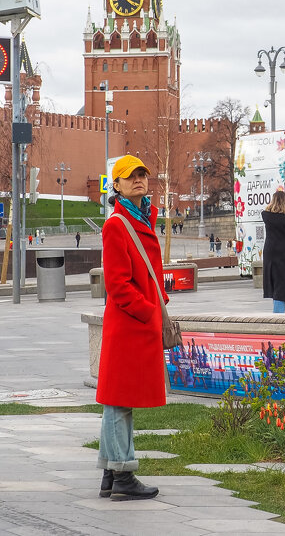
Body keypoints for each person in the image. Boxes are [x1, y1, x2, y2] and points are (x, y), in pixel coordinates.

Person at [95, 154, 167, 501]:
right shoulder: (116, 225)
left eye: (142, 174)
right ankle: (122, 474)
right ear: (117, 186)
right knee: (119, 402)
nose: (138, 179)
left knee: (119, 400)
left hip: (136, 324)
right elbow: (118, 284)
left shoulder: (142, 218)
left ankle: (111, 472)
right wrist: (149, 311)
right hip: (128, 325)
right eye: (130, 176)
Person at [262, 189, 285, 313]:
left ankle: (276, 312)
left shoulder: (265, 215)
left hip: (270, 252)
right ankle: (278, 317)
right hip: (284, 252)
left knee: (273, 283)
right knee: (282, 285)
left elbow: (267, 211)